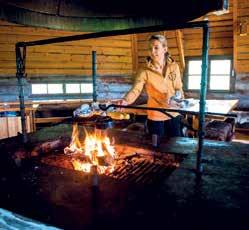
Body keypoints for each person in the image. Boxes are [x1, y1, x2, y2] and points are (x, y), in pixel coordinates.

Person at [118, 34, 184, 139]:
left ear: (165, 49)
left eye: (156, 48)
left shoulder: (174, 67)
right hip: (155, 115)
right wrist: (126, 100)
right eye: (150, 48)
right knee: (156, 147)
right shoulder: (144, 71)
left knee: (176, 144)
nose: (152, 51)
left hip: (173, 113)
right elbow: (136, 89)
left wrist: (179, 100)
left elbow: (178, 87)